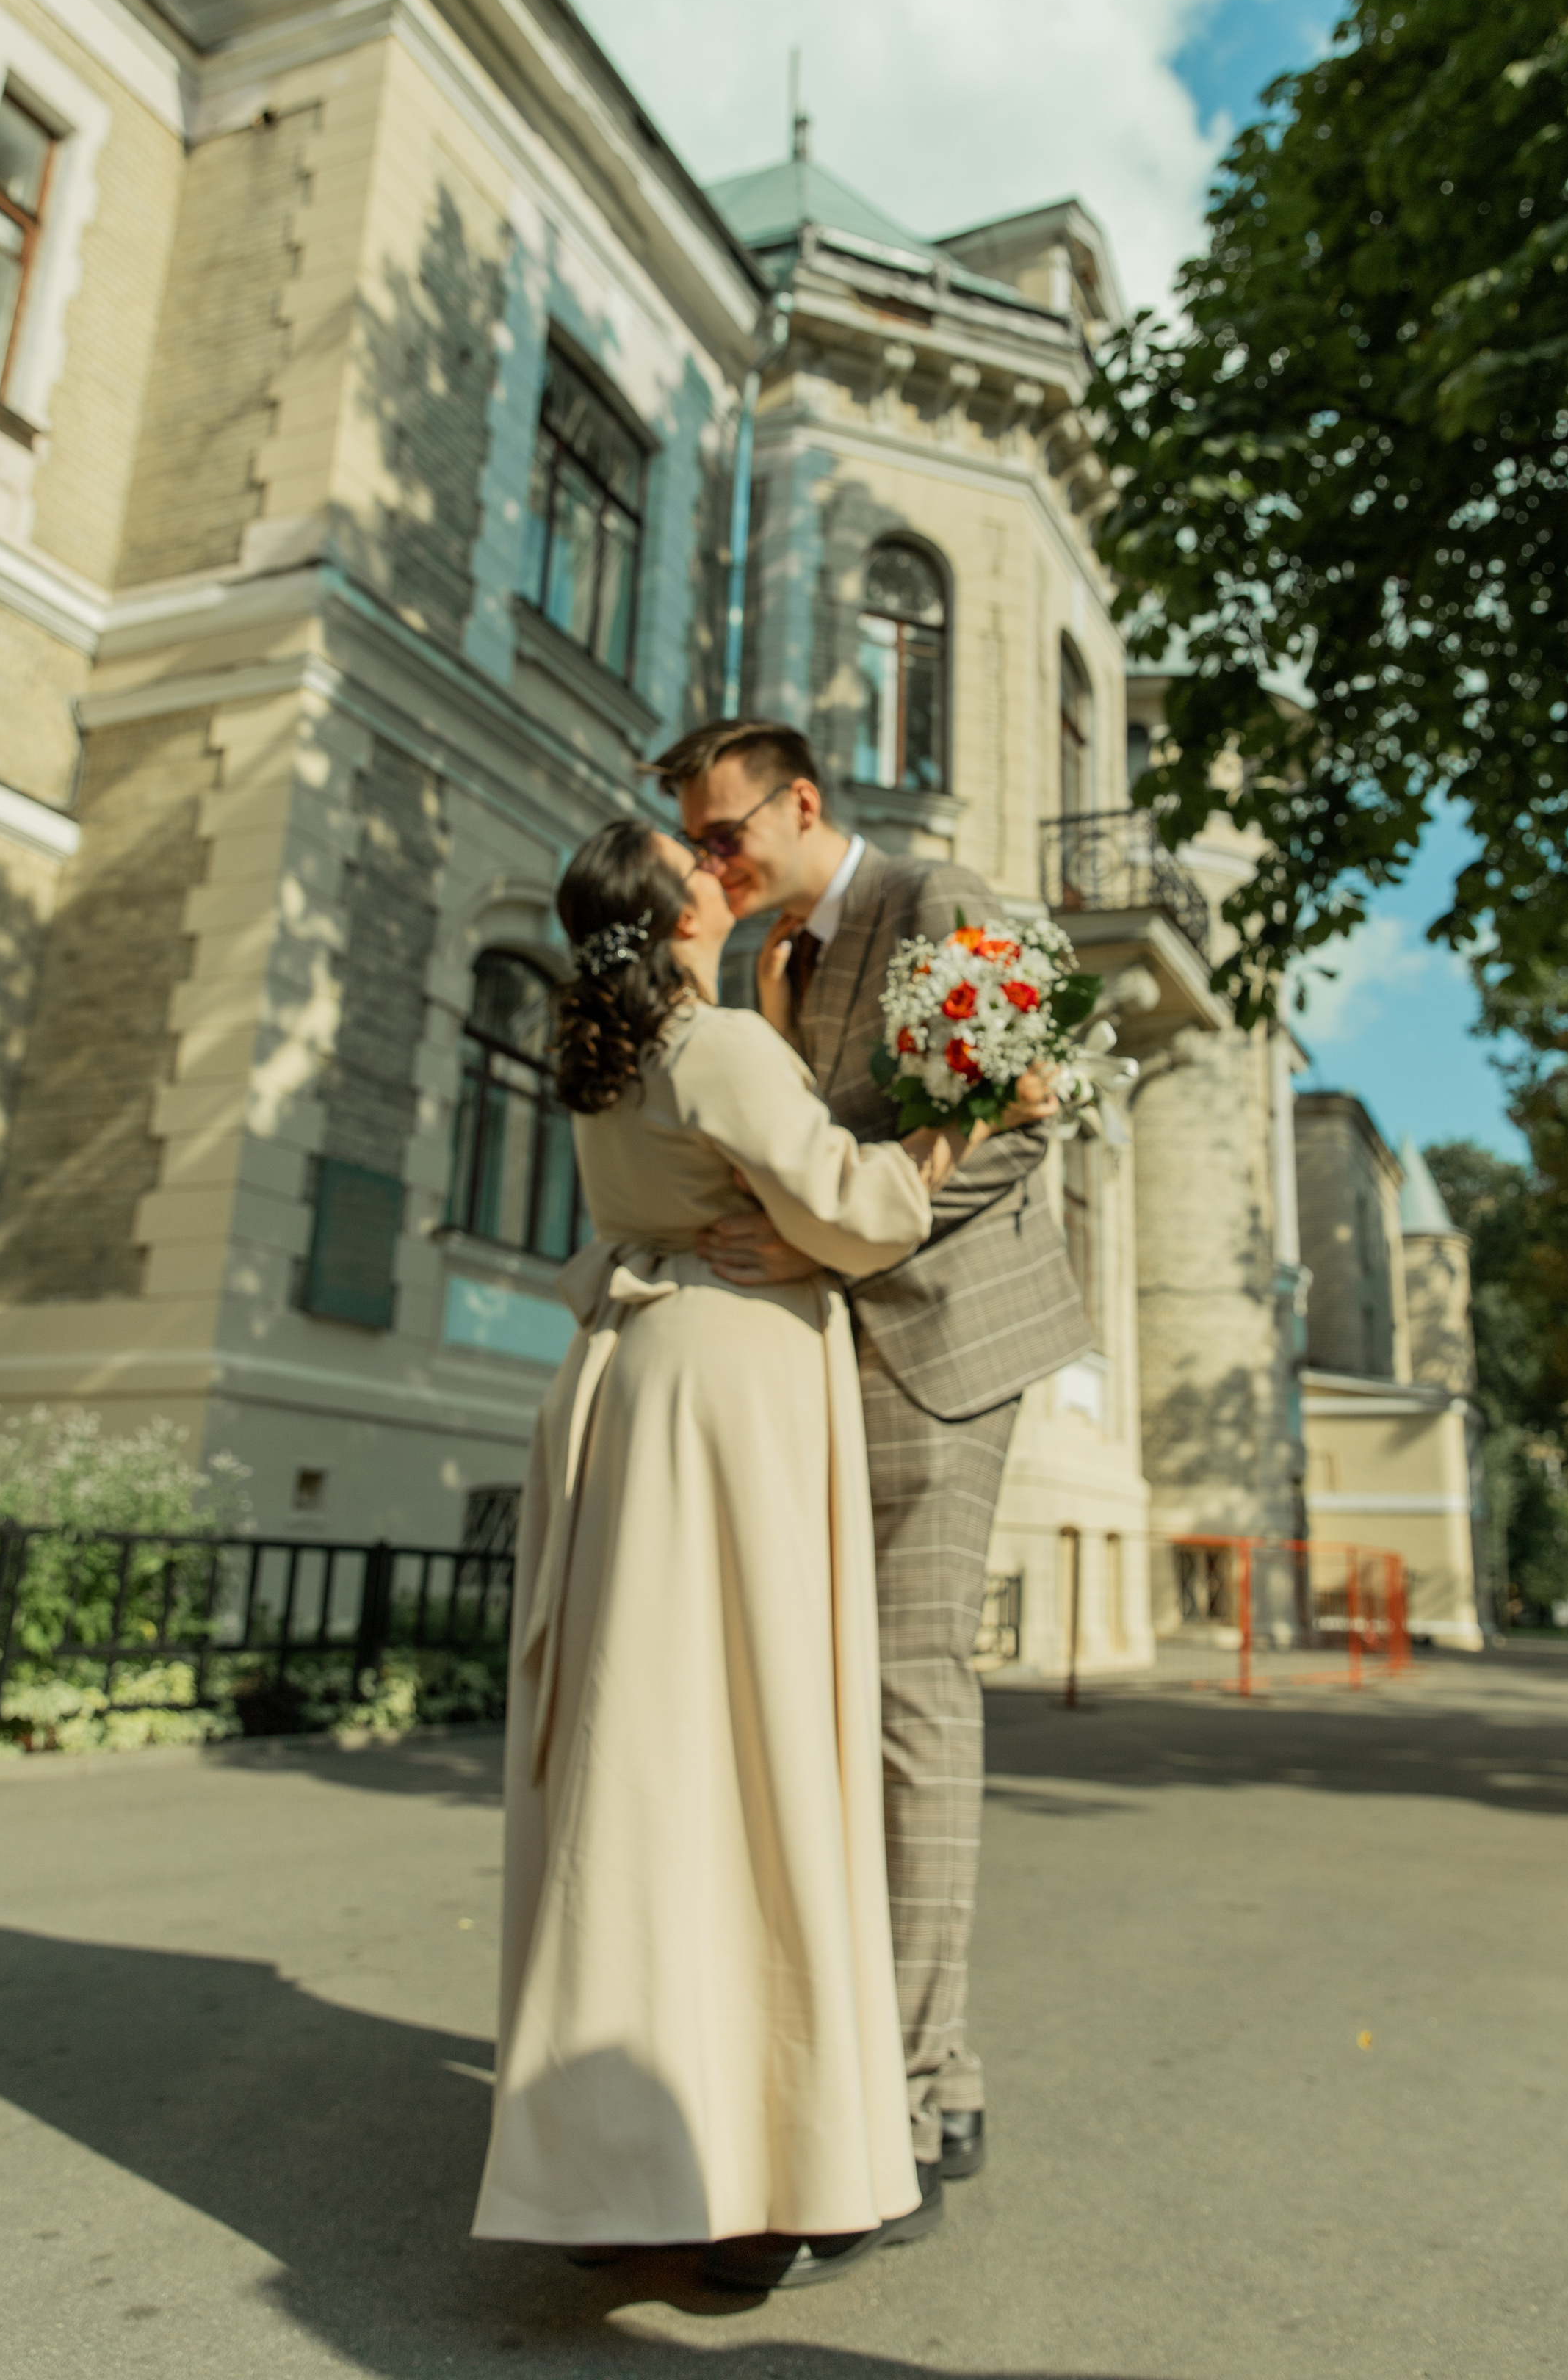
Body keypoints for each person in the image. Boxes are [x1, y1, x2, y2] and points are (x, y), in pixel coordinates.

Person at [473, 817, 1016, 2290]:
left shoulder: (608, 1056)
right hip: (728, 1405)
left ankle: (629, 2164)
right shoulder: (709, 1046)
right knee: (749, 1756)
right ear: (671, 913)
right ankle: (752, 2165)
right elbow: (855, 1212)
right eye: (695, 863)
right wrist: (976, 1102)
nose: (725, 870)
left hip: (629, 1391)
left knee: (639, 1763)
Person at [649, 718, 1090, 2207]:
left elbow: (1023, 1135)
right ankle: (903, 2065)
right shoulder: (770, 957)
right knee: (826, 1699)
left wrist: (814, 1239)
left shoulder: (946, 902)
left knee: (906, 1690)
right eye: (697, 845)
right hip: (815, 1361)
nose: (710, 864)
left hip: (944, 1348)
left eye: (724, 836)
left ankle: (912, 2095)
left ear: (800, 804)